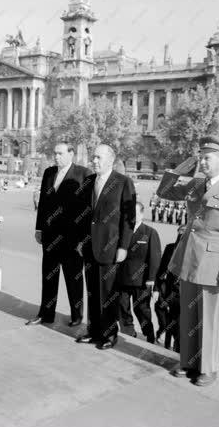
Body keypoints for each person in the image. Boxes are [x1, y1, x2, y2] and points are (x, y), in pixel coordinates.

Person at [156, 135, 219, 387]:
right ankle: (187, 362)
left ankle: (208, 369)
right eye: (201, 157)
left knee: (209, 318)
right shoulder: (197, 184)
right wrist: (175, 172)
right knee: (188, 314)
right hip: (188, 259)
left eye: (207, 158)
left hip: (213, 265)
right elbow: (163, 192)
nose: (202, 162)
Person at [75, 144, 135, 350]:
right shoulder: (89, 181)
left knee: (108, 294)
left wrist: (123, 247)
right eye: (93, 157)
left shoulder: (123, 182)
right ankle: (93, 331)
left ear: (111, 159)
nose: (94, 161)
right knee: (92, 291)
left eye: (99, 158)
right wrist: (81, 241)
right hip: (90, 246)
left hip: (111, 247)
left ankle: (109, 334)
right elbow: (83, 215)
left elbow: (129, 219)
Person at [28, 143, 90, 327]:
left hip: (73, 239)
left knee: (74, 279)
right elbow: (44, 204)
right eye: (54, 153)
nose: (56, 157)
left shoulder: (83, 174)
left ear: (71, 154)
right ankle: (45, 314)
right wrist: (39, 228)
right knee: (49, 277)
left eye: (60, 153)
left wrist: (83, 239)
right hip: (49, 236)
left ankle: (77, 316)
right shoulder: (48, 173)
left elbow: (87, 210)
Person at [116, 201, 161, 342]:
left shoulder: (150, 232)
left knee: (142, 310)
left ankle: (149, 334)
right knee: (122, 307)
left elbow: (155, 258)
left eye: (135, 213)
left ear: (142, 213)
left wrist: (151, 279)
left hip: (141, 280)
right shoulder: (121, 230)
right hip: (121, 277)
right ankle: (128, 333)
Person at [155, 225, 185, 351]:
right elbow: (161, 270)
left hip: (182, 293)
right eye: (180, 231)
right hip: (166, 290)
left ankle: (177, 351)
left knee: (179, 326)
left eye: (184, 232)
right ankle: (163, 336)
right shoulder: (169, 248)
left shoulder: (192, 250)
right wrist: (156, 289)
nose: (181, 235)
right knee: (164, 318)